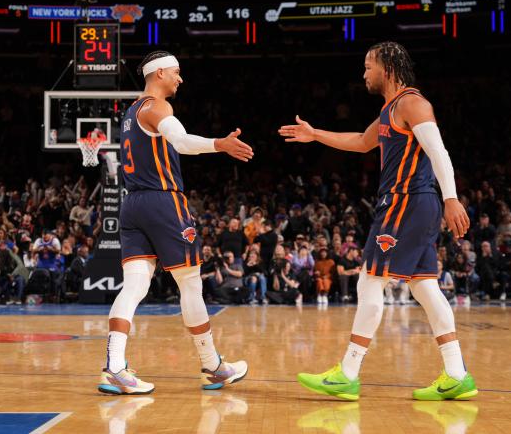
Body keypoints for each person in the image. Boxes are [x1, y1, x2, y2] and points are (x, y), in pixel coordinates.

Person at [279, 41, 477, 401]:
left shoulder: (412, 103)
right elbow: (360, 141)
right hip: (411, 205)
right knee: (423, 286)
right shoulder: (390, 109)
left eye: (368, 66)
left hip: (406, 202)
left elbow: (438, 151)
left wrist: (451, 198)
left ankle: (348, 371)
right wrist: (315, 134)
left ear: (386, 67)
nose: (364, 73)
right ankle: (456, 373)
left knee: (369, 281)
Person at [99, 50, 253, 395]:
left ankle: (116, 365)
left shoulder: (129, 113)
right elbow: (182, 143)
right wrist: (221, 144)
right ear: (159, 74)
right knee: (190, 283)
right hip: (163, 201)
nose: (180, 79)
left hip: (133, 204)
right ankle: (213, 366)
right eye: (176, 73)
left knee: (135, 287)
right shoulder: (157, 107)